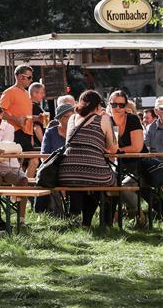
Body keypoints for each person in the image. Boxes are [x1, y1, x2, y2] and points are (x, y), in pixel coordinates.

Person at [58, 90, 117, 227]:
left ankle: (82, 222)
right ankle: (106, 224)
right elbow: (113, 149)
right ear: (97, 106)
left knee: (87, 182)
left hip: (67, 173)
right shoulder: (103, 118)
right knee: (113, 182)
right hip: (94, 172)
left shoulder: (72, 118)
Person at [36, 103, 75, 215]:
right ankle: (52, 211)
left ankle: (68, 210)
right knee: (49, 177)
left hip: (72, 168)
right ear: (60, 119)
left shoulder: (76, 132)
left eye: (73, 116)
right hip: (53, 168)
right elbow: (44, 156)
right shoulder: (51, 132)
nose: (71, 119)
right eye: (68, 117)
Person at [0, 66, 41, 152]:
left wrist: (37, 118)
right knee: (33, 161)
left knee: (31, 161)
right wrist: (15, 119)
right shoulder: (9, 92)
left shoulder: (26, 93)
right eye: (29, 77)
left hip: (26, 134)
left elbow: (26, 116)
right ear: (20, 77)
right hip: (15, 132)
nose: (31, 80)